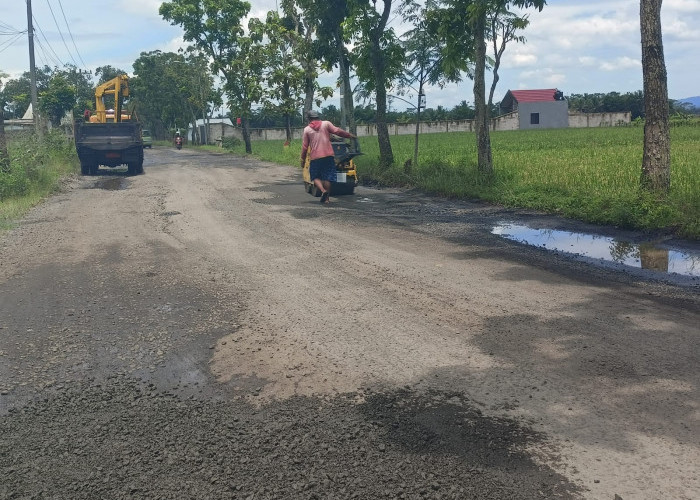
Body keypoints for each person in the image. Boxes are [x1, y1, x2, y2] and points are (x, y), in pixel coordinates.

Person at [300, 110, 356, 204]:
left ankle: (323, 191)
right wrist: (349, 135)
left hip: (315, 157)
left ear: (309, 119)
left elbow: (305, 147)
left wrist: (302, 159)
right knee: (327, 177)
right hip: (328, 156)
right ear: (318, 117)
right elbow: (337, 131)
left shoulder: (307, 130)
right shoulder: (326, 124)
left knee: (315, 176)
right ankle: (327, 199)